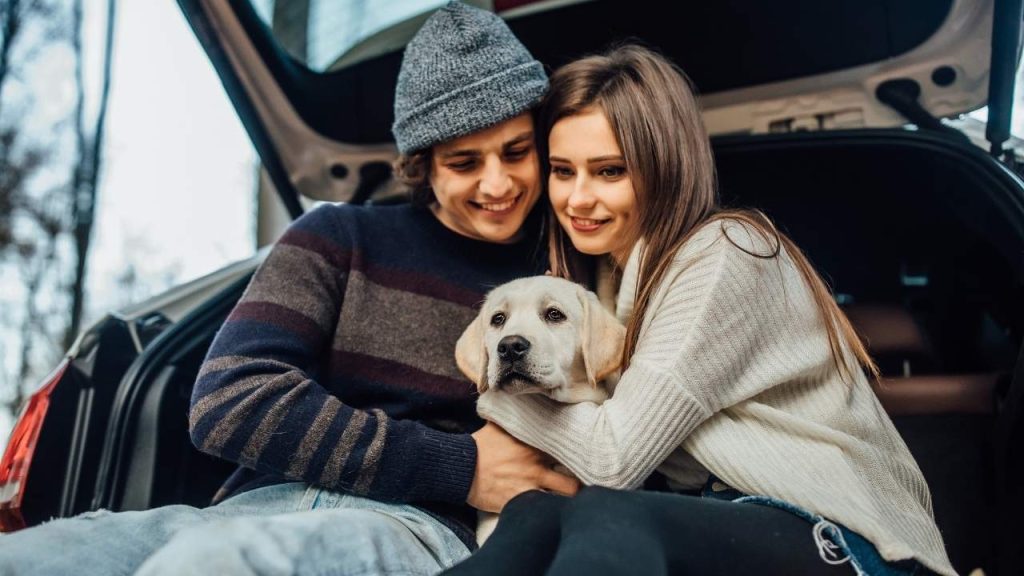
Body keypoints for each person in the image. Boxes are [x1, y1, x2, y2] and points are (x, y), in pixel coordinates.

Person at [0, 3, 577, 575]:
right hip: (250, 508)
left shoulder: (564, 275)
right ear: (422, 164)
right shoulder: (338, 236)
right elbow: (231, 399)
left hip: (416, 529)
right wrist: (460, 465)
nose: (498, 182)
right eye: (464, 162)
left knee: (211, 564)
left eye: (517, 152)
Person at [447, 44, 956, 576]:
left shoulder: (723, 253)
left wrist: (497, 385)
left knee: (605, 511)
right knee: (532, 511)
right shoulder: (604, 281)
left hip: (845, 537)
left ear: (664, 168)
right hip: (714, 516)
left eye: (609, 171)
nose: (577, 198)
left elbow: (612, 461)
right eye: (562, 171)